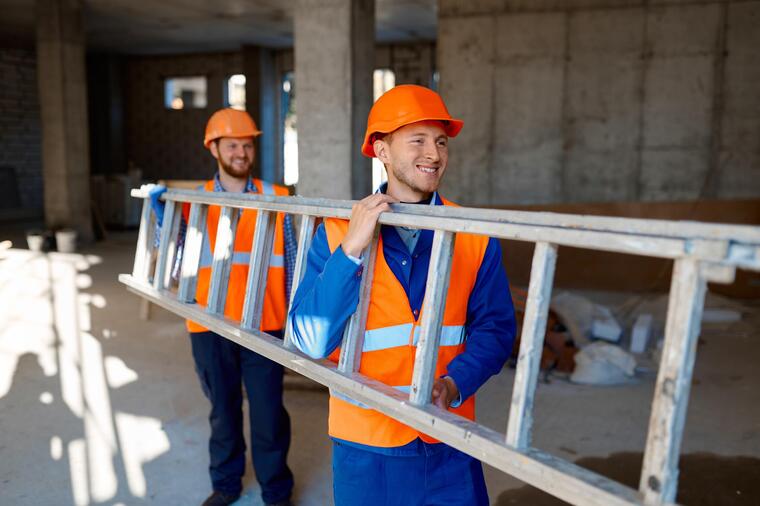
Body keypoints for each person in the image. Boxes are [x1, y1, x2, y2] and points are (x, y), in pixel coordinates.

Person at [288, 85, 516, 505]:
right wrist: (351, 252)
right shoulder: (337, 233)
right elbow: (309, 341)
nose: (434, 153)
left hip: (449, 436)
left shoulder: (472, 232)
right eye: (418, 140)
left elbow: (496, 328)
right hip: (366, 444)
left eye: (441, 141)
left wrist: (454, 383)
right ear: (382, 150)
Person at [152, 108, 295, 506]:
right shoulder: (194, 201)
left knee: (268, 414)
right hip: (209, 324)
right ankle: (227, 484)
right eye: (232, 144)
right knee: (223, 411)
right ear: (214, 148)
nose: (241, 152)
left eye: (247, 145)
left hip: (264, 325)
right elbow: (176, 263)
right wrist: (163, 220)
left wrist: (294, 322)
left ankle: (277, 491)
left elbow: (294, 261)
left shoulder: (277, 197)